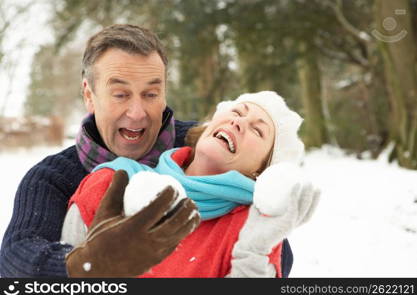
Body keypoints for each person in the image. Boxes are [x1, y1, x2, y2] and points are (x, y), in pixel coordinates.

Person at [0, 24, 201, 277]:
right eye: (120, 94)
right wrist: (89, 265)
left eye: (151, 94)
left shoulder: (201, 146)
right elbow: (15, 259)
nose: (137, 112)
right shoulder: (52, 179)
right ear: (89, 95)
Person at [61, 91, 320, 277]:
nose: (239, 121)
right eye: (237, 112)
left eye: (257, 130)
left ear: (260, 170)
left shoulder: (252, 231)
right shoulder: (113, 181)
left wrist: (254, 250)